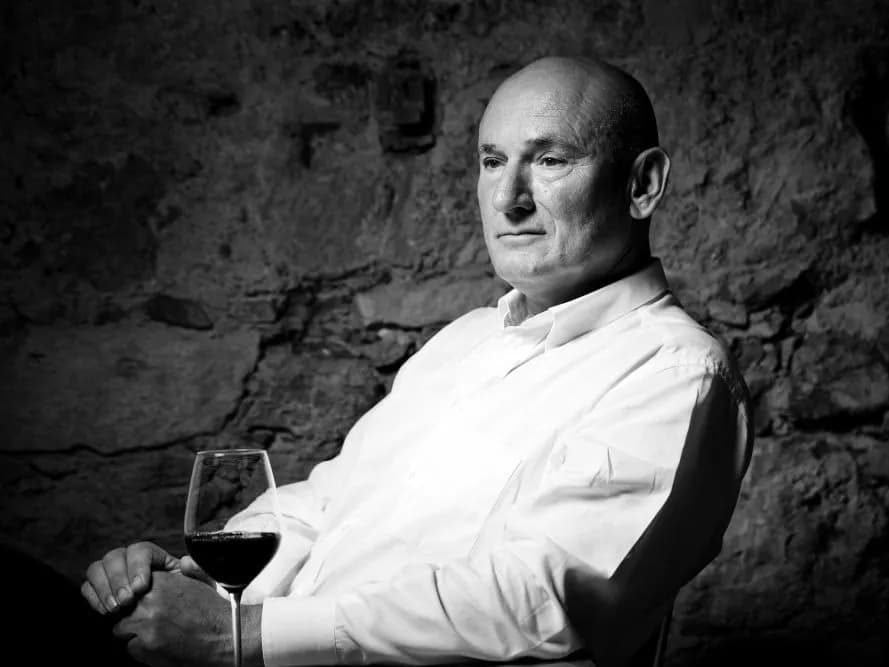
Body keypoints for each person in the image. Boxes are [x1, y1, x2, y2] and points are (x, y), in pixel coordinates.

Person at [79, 55, 753, 667]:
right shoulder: (465, 340)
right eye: (493, 161)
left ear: (643, 183)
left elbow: (537, 595)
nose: (508, 197)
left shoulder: (676, 374)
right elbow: (326, 504)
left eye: (549, 161)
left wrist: (241, 634)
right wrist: (200, 582)